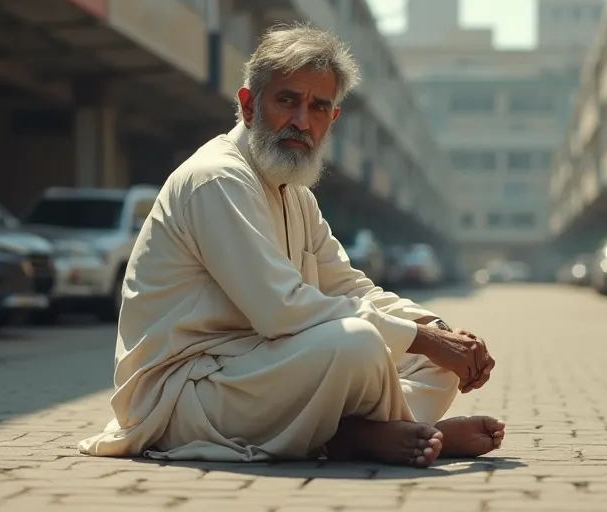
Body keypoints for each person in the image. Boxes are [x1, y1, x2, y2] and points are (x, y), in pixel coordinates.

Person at [78, 24, 504, 467]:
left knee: (433, 358)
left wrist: (436, 331)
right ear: (248, 105)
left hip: (259, 371)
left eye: (319, 107)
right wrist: (420, 338)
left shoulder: (294, 194)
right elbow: (280, 309)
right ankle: (397, 433)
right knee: (359, 343)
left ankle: (369, 433)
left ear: (331, 120)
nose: (302, 121)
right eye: (287, 101)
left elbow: (351, 288)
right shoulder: (217, 178)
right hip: (184, 393)